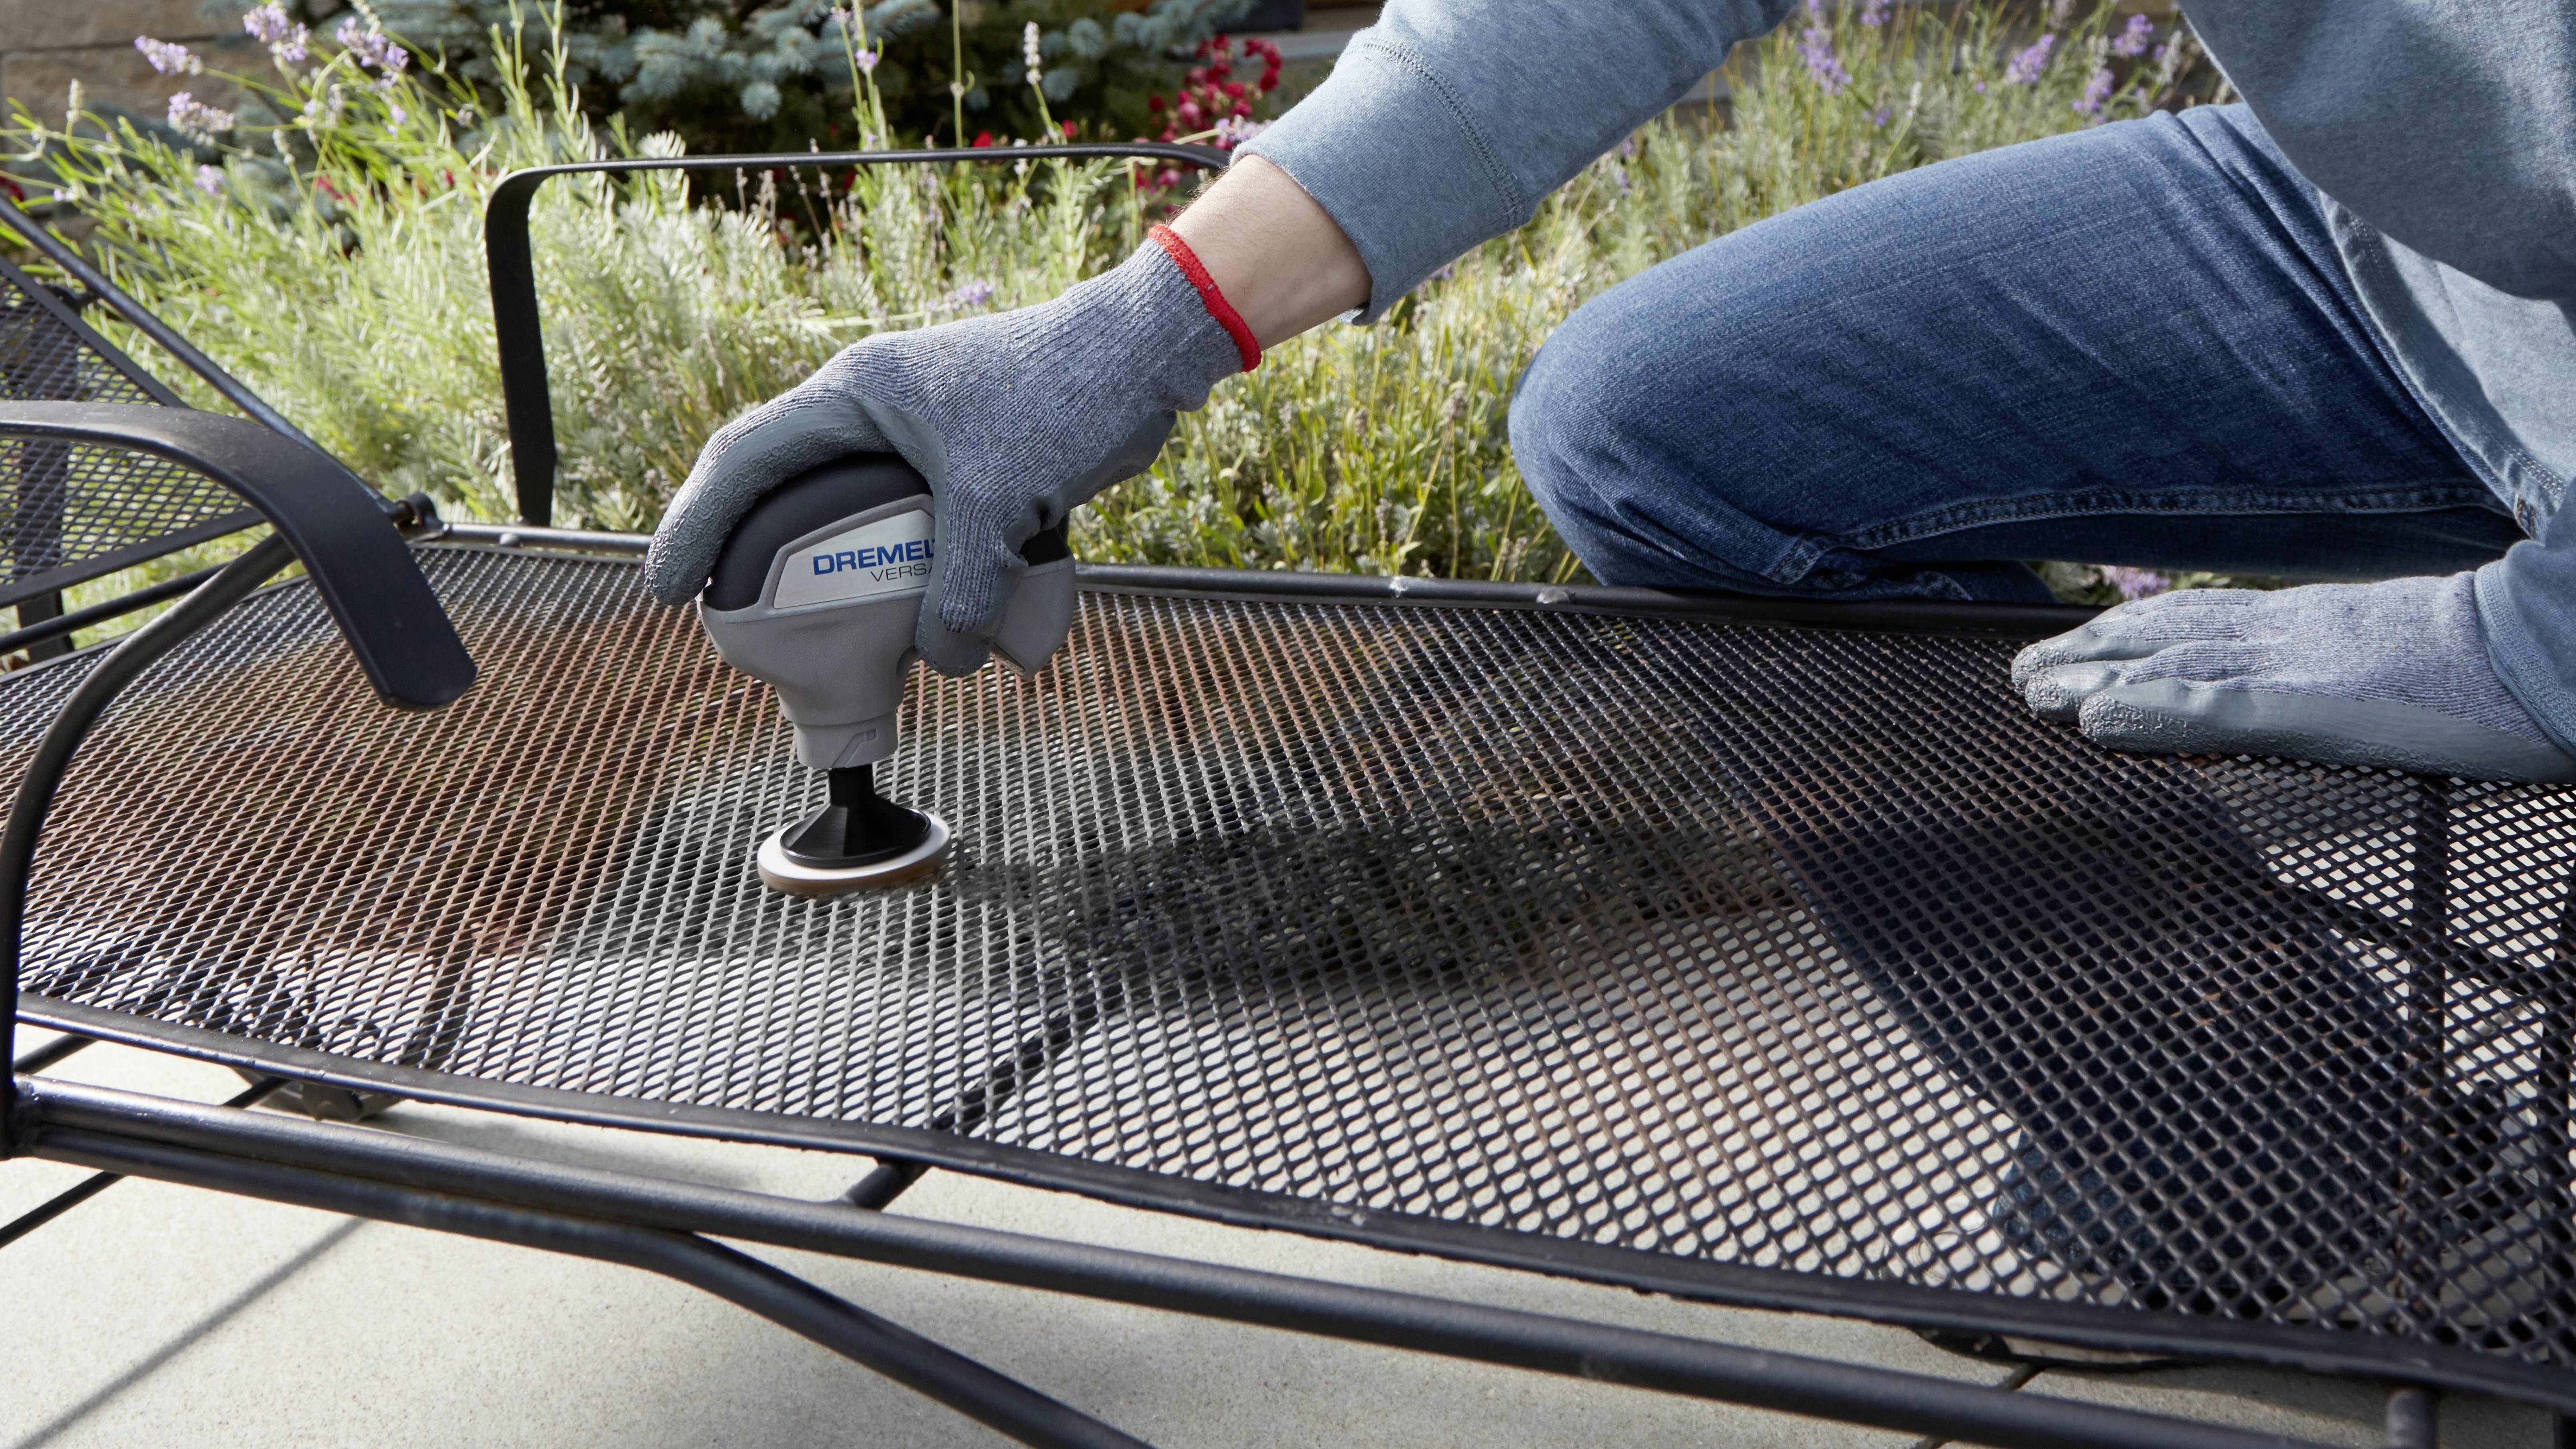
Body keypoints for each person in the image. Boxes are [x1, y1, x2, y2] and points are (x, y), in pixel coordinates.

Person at [648, 0, 2576, 786]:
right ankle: (2223, 1076)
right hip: (2389, 222)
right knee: (1659, 424)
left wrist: (2534, 639)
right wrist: (1140, 326)